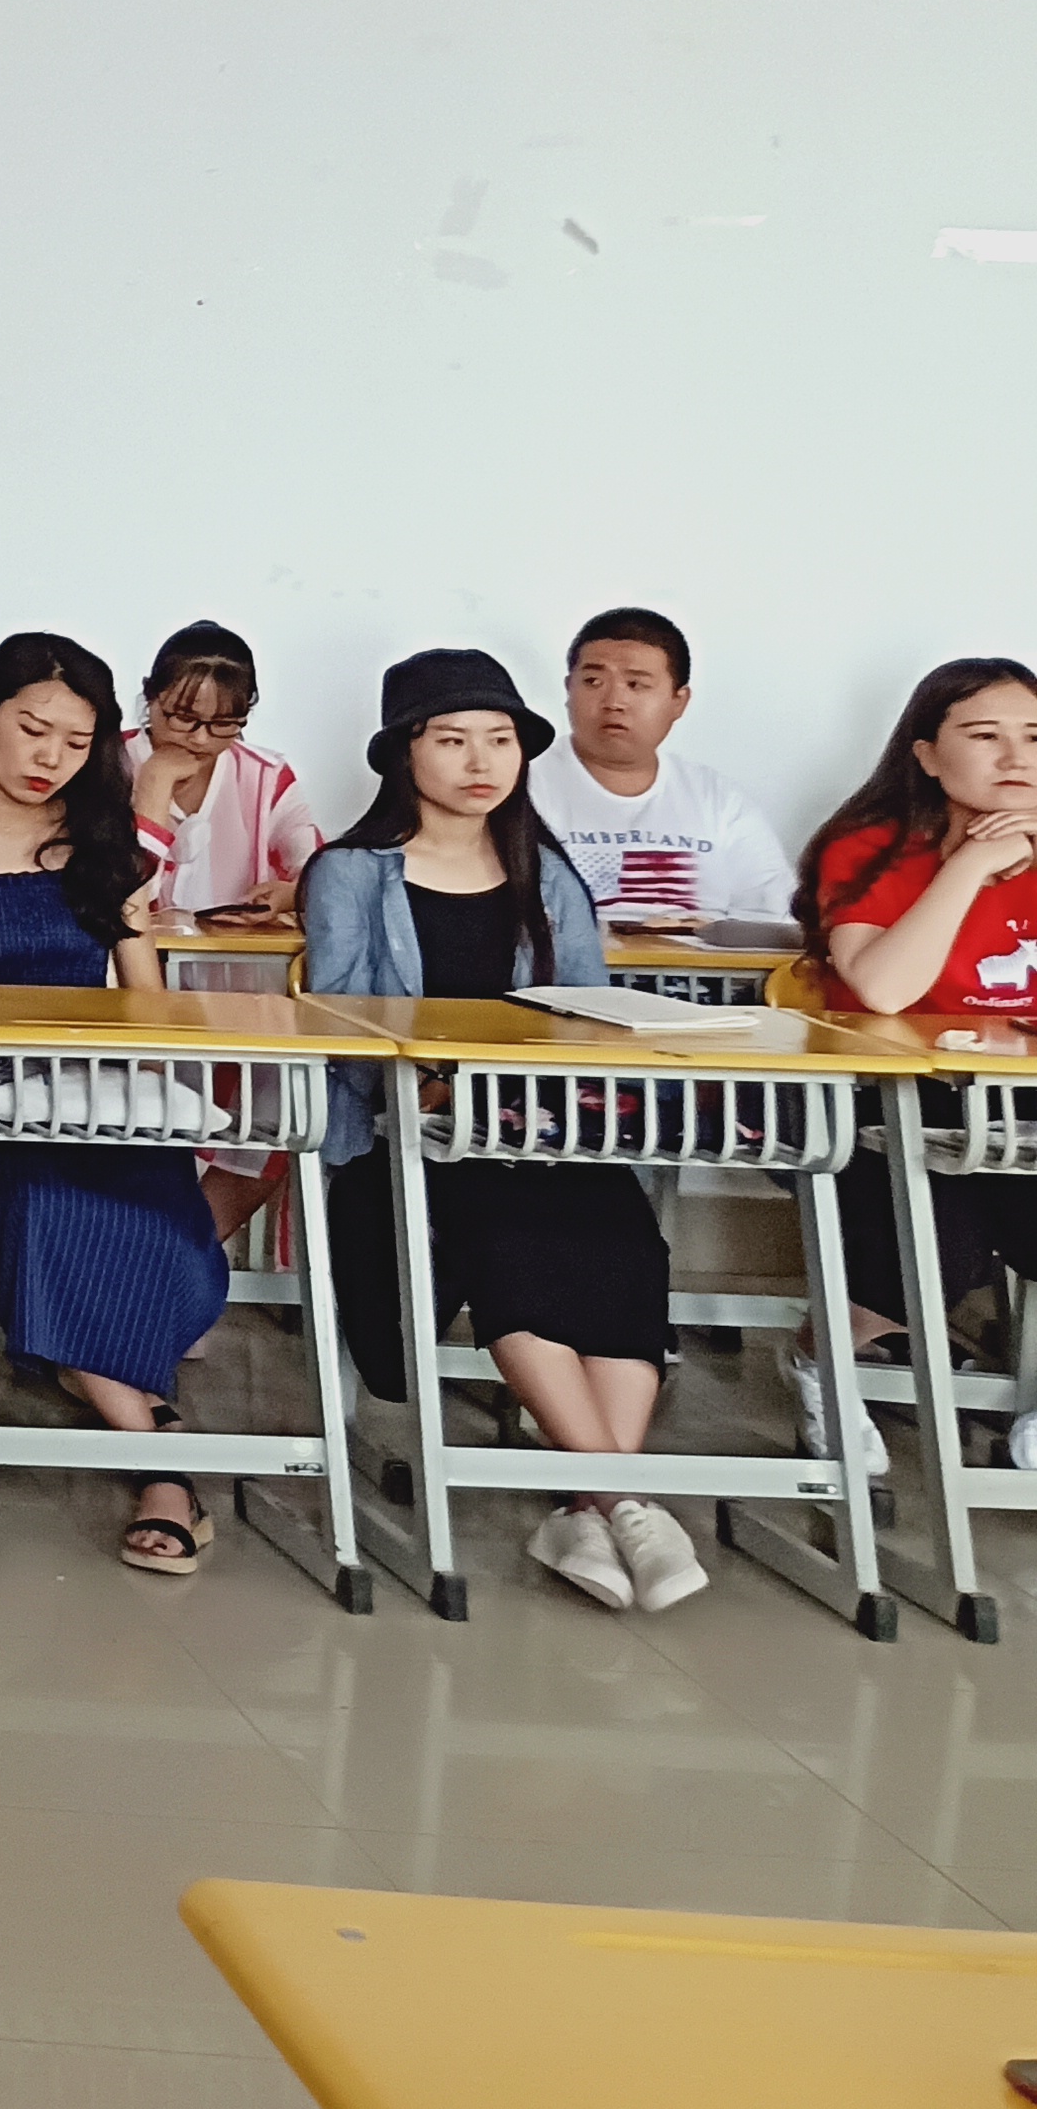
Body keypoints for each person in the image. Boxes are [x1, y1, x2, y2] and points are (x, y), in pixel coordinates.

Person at [303, 650, 692, 1612]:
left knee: (624, 1240)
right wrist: (438, 1091)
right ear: (405, 755)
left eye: (500, 740)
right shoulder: (350, 873)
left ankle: (590, 1506)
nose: (480, 762)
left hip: (542, 1134)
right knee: (512, 1241)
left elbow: (593, 1017)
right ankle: (625, 1500)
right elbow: (341, 1024)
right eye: (451, 740)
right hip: (410, 1142)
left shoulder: (546, 875)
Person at [0, 632, 230, 1578]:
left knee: (161, 1222)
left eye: (77, 743)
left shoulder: (102, 841)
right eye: (33, 729)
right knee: (46, 1207)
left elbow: (144, 1001)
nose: (50, 758)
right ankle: (164, 1470)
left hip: (106, 1107)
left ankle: (96, 1370)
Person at [801, 657, 1037, 1465]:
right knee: (938, 1245)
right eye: (986, 736)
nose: (1016, 758)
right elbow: (885, 990)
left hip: (1018, 1099)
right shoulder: (870, 849)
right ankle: (821, 1363)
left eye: (1035, 738)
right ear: (928, 755)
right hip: (887, 1099)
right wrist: (968, 865)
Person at [531, 607, 796, 925]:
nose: (614, 701)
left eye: (636, 684)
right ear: (568, 689)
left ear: (678, 702)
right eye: (592, 681)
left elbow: (774, 919)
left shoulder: (717, 800)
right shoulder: (521, 787)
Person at [124, 619, 320, 929]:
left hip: (233, 955)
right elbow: (113, 893)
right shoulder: (106, 762)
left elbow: (323, 874)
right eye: (183, 718)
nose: (201, 739)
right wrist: (154, 785)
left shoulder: (266, 777)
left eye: (224, 723)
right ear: (150, 697)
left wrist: (291, 895)